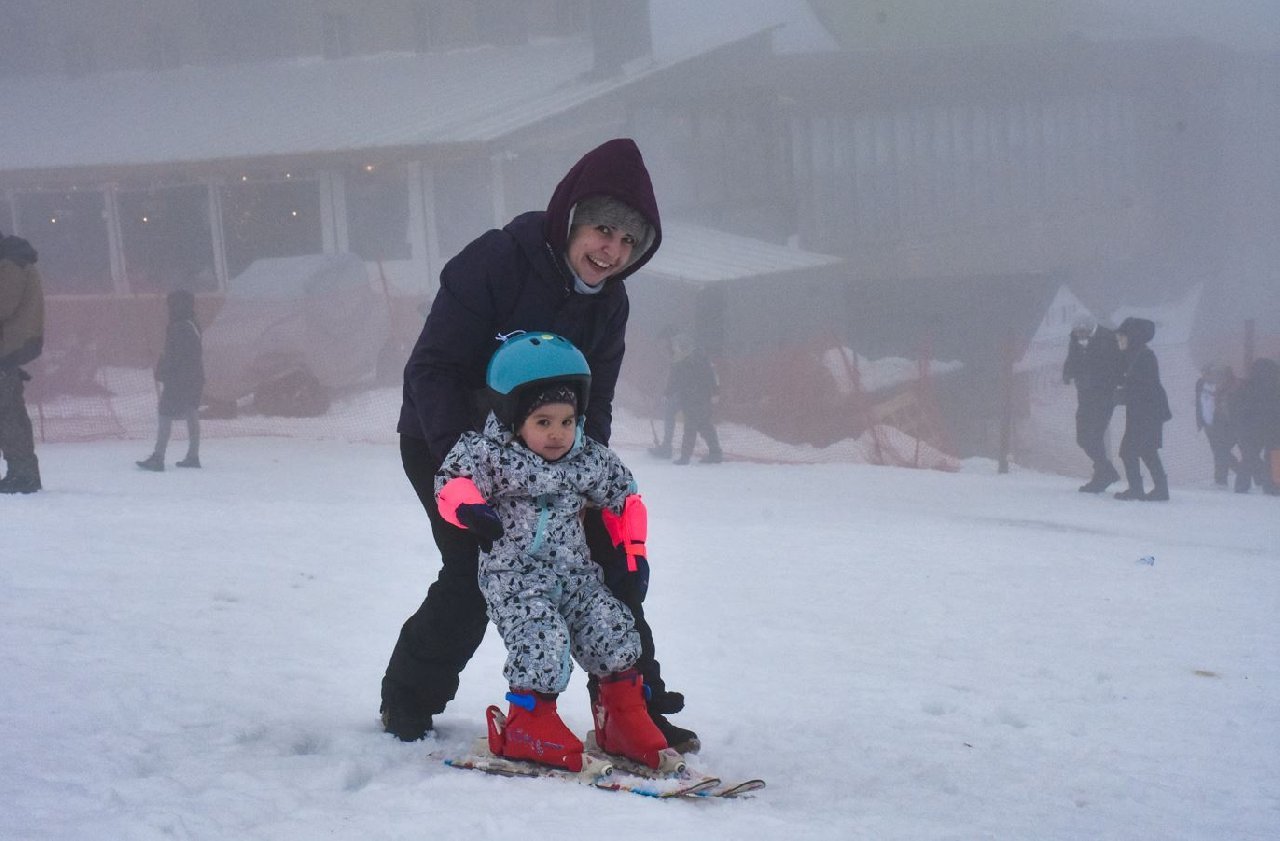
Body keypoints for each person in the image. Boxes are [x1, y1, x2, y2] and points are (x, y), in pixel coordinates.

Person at [383, 138, 697, 752]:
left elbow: (596, 399)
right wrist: (465, 472)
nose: (612, 251)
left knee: (608, 566)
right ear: (571, 218)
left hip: (557, 453)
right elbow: (432, 370)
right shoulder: (496, 261)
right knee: (480, 568)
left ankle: (636, 708)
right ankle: (408, 699)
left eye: (629, 242)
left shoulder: (610, 302)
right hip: (451, 444)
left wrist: (589, 476)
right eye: (604, 229)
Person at [436, 332, 669, 771]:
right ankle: (528, 722)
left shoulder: (588, 458)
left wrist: (632, 552)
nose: (558, 434)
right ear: (512, 417)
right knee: (543, 640)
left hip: (577, 575)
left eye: (567, 420)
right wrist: (471, 509)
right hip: (516, 578)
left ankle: (622, 717)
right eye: (543, 422)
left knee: (615, 629)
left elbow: (624, 496)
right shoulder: (490, 454)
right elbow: (451, 483)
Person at [137, 290, 205, 471]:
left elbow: (176, 356)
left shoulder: (179, 327)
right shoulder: (192, 324)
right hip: (195, 377)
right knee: (191, 411)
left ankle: (158, 457)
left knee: (165, 412)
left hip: (179, 379)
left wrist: (163, 371)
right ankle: (193, 455)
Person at [0, 231, 44, 495]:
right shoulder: (16, 262)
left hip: (7, 347)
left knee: (7, 415)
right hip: (13, 346)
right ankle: (23, 472)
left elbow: (3, 305)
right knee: (11, 413)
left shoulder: (10, 265)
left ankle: (22, 473)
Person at [1062, 316, 1125, 492]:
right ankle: (1106, 471)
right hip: (1085, 397)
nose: (1079, 336)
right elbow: (1072, 359)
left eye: (1083, 332)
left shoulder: (1107, 339)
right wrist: (1067, 373)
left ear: (1090, 330)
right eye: (1077, 333)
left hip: (1103, 397)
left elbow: (1116, 366)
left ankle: (1101, 477)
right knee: (1082, 437)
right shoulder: (1075, 339)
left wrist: (1111, 384)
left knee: (1094, 436)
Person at [1112, 317, 1172, 501]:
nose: (1119, 341)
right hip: (1144, 411)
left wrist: (1121, 395)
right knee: (1147, 449)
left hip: (1148, 411)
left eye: (1123, 337)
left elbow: (1143, 387)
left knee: (1129, 451)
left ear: (1133, 337)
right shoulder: (1133, 355)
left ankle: (1138, 489)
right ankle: (1160, 489)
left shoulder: (1144, 357)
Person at [669, 333, 722, 465]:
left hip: (697, 399)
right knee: (704, 426)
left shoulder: (696, 359)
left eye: (677, 346)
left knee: (691, 427)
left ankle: (685, 457)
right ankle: (715, 453)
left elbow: (709, 376)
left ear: (684, 347)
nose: (675, 349)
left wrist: (714, 392)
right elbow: (677, 379)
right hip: (693, 398)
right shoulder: (685, 360)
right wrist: (668, 392)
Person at [1231, 357, 1280, 495]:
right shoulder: (1276, 387)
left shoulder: (1247, 387)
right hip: (1274, 428)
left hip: (1251, 429)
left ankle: (1241, 486)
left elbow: (1238, 408)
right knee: (1275, 456)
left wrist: (1240, 427)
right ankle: (1275, 486)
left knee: (1249, 457)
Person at [1194, 363, 1238, 486]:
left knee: (1221, 451)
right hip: (1207, 424)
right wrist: (1200, 422)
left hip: (1221, 425)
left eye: (1207, 373)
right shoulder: (1200, 384)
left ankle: (1225, 477)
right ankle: (1224, 478)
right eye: (1203, 373)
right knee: (1219, 452)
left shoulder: (1222, 387)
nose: (1204, 375)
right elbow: (1199, 404)